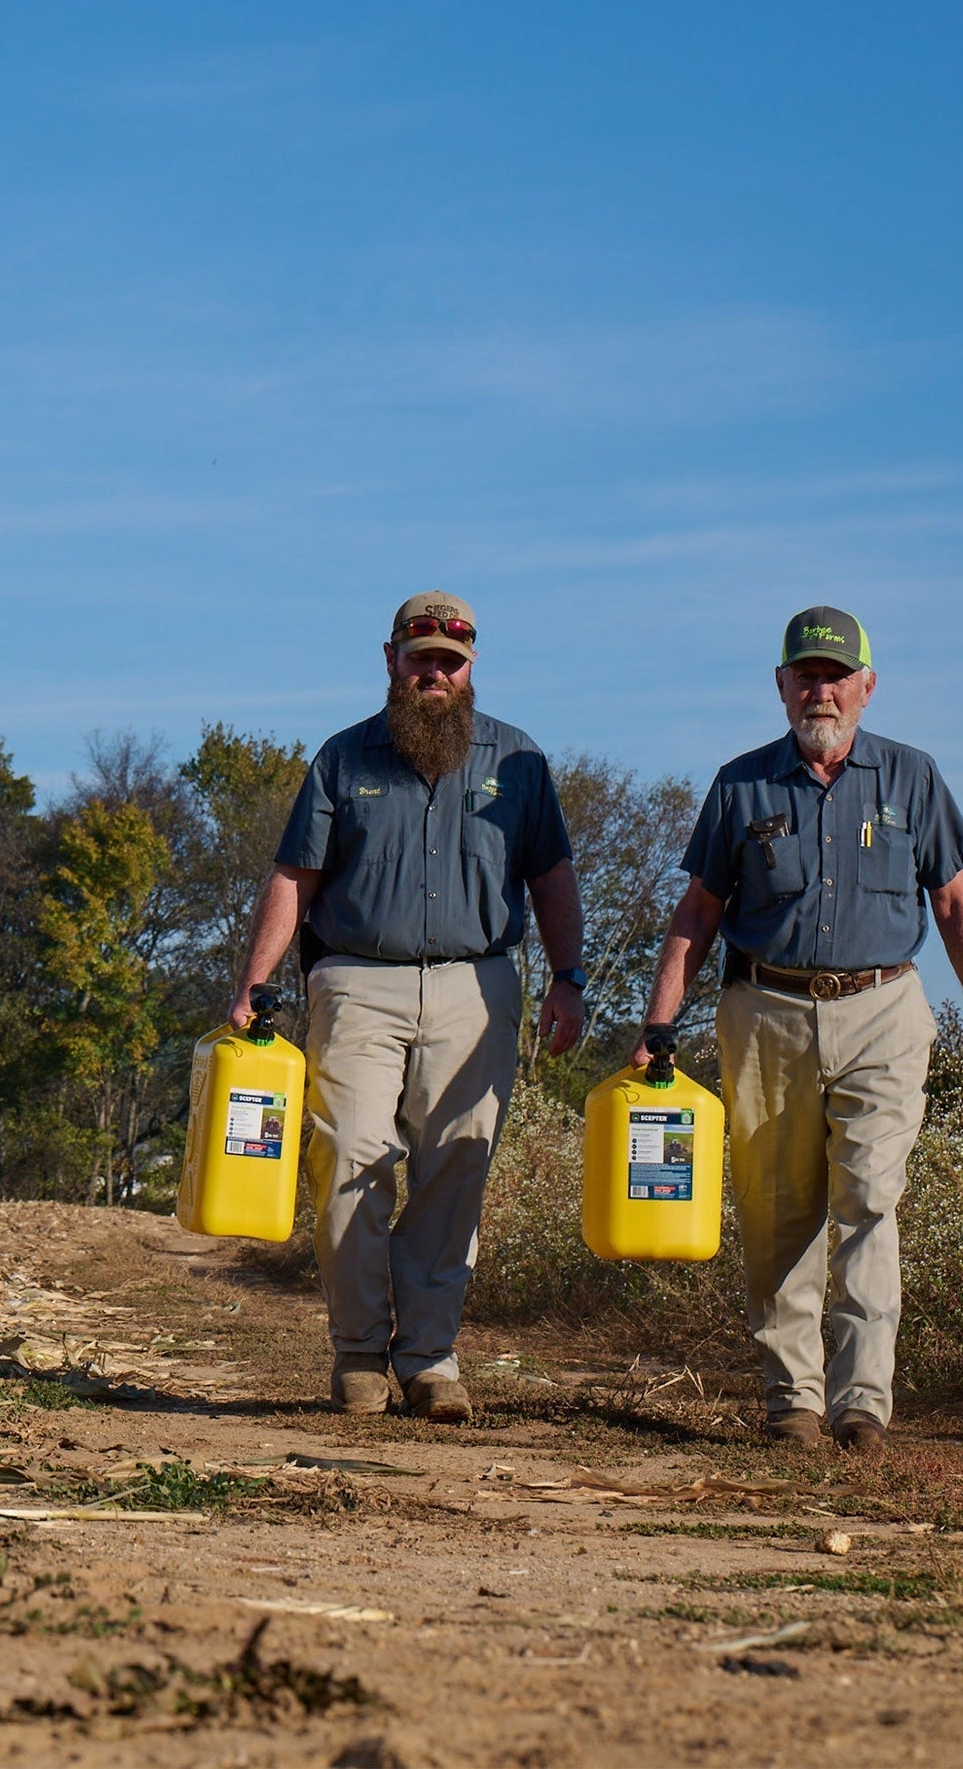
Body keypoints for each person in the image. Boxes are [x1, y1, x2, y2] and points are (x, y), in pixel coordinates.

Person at [637, 606, 963, 1457]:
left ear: (867, 688)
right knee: (778, 1211)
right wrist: (660, 1023)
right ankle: (792, 1403)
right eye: (805, 675)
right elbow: (699, 912)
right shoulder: (740, 785)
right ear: (780, 687)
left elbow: (955, 905)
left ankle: (863, 1407)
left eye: (837, 676)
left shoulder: (914, 778)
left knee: (871, 1202)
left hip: (884, 1010)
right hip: (764, 1011)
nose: (822, 690)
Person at [231, 591, 587, 1423]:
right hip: (356, 982)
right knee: (350, 1155)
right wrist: (254, 982)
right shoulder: (341, 759)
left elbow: (554, 878)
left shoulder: (519, 760)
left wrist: (568, 978)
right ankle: (358, 1353)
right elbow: (294, 879)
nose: (435, 673)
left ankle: (429, 1358)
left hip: (477, 984)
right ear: (390, 659)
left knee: (457, 1164)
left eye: (450, 661)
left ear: (471, 669)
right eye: (420, 657)